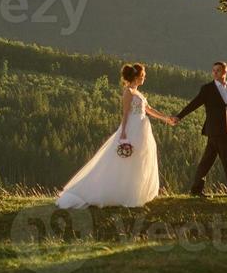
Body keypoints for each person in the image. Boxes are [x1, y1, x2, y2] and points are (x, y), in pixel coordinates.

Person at [56, 61, 176, 208]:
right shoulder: (128, 92)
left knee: (139, 159)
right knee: (126, 159)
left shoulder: (138, 93)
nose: (145, 78)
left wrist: (165, 118)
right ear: (137, 77)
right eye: (143, 75)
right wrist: (123, 132)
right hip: (133, 127)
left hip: (142, 129)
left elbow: (148, 109)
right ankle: (117, 192)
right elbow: (125, 113)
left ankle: (135, 191)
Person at [174, 60, 227, 198]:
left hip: (223, 131)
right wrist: (179, 116)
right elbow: (194, 104)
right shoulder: (207, 89)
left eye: (218, 70)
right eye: (213, 70)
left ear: (225, 72)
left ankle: (196, 190)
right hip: (215, 131)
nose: (214, 73)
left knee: (207, 161)